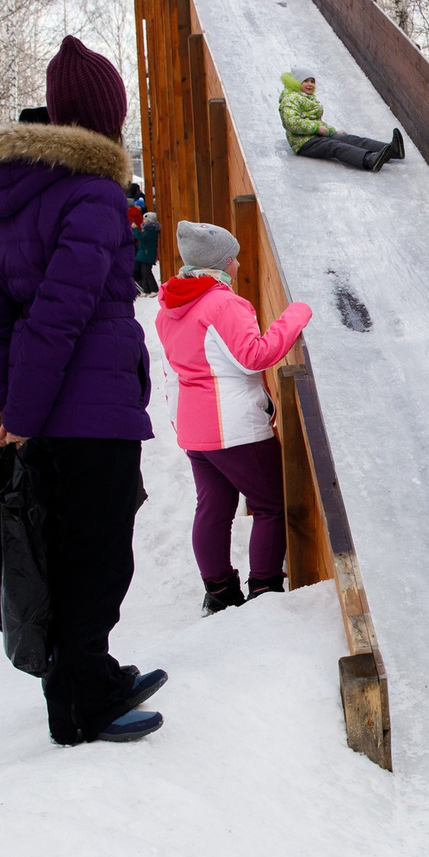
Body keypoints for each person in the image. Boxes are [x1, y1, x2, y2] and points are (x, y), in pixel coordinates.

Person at [0, 34, 166, 746]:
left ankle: (93, 675)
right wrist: (18, 409)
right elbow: (61, 314)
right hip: (89, 411)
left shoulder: (13, 193)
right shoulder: (96, 196)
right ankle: (82, 706)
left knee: (70, 550)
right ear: (104, 119)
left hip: (48, 413)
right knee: (99, 555)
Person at [154, 221, 313, 615]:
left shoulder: (170, 308)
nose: (240, 263)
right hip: (234, 428)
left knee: (213, 507)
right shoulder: (223, 304)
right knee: (271, 504)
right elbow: (253, 356)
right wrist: (293, 317)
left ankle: (220, 591)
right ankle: (264, 588)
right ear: (224, 262)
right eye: (236, 257)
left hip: (194, 429)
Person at [279, 69, 403, 171]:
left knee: (348, 139)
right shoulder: (290, 99)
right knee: (335, 146)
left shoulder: (307, 97)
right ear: (296, 82)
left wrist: (332, 131)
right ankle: (368, 159)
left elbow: (317, 122)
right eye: (305, 81)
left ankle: (391, 150)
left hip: (315, 136)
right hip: (302, 142)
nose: (310, 84)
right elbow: (292, 122)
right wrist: (317, 129)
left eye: (312, 81)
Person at [133, 211, 161, 295]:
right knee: (144, 272)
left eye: (145, 219)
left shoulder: (150, 230)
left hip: (147, 253)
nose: (143, 220)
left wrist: (135, 229)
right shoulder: (147, 229)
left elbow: (142, 238)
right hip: (145, 253)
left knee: (147, 272)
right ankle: (147, 290)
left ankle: (154, 289)